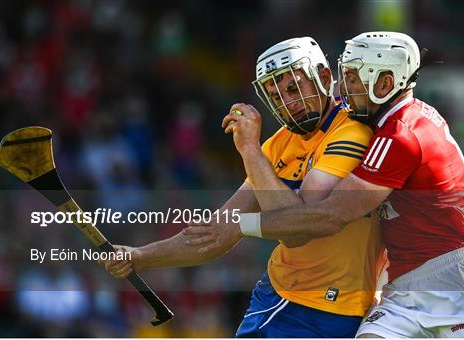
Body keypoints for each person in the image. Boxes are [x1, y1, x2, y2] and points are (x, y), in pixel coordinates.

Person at [185, 32, 464, 338]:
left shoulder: (400, 136)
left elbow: (328, 217)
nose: (344, 87)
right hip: (400, 287)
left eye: (355, 78)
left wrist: (240, 226)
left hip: (453, 283)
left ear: (385, 83)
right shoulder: (392, 124)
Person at [103, 37, 384, 337]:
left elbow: (299, 230)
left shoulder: (351, 132)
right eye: (276, 97)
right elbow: (216, 234)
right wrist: (140, 256)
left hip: (335, 310)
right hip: (283, 298)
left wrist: (250, 150)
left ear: (324, 77)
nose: (288, 104)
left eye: (293, 88)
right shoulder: (277, 145)